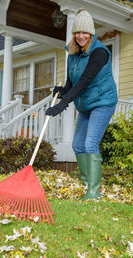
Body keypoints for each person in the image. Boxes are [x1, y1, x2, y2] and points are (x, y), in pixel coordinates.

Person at [46, 8, 118, 200]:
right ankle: (87, 186)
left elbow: (85, 81)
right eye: (77, 32)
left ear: (91, 33)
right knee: (78, 144)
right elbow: (71, 82)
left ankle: (94, 193)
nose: (81, 36)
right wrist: (62, 92)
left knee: (90, 142)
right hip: (85, 105)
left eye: (85, 32)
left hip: (102, 102)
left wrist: (63, 105)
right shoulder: (72, 53)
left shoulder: (100, 52)